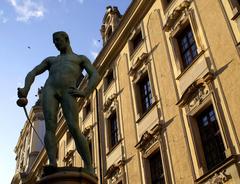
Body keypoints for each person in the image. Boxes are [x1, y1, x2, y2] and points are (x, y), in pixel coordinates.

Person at [17, 31, 100, 173]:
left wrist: (85, 91)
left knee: (74, 127)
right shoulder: (51, 60)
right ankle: (53, 163)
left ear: (66, 39)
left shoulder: (80, 59)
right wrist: (25, 89)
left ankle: (88, 165)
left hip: (69, 91)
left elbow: (95, 75)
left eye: (57, 40)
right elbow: (33, 72)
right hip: (50, 90)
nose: (56, 43)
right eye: (54, 42)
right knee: (50, 128)